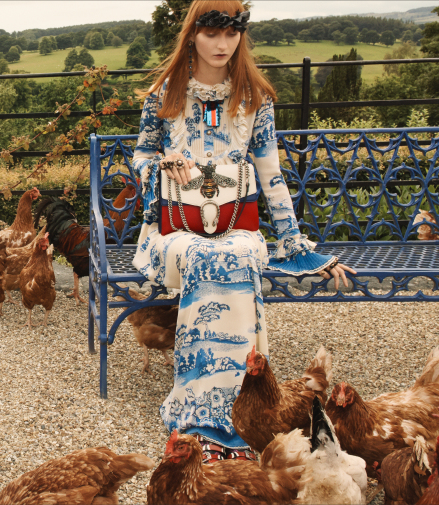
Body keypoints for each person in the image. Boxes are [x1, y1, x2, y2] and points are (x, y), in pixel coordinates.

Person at [131, 0, 356, 462]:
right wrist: (161, 163)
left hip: (237, 223)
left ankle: (241, 412)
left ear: (241, 36)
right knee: (205, 255)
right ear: (192, 34)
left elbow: (271, 174)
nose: (222, 44)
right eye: (211, 33)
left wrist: (293, 243)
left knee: (236, 253)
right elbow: (141, 157)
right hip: (174, 230)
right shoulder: (164, 94)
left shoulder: (256, 97)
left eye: (231, 34)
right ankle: (202, 415)